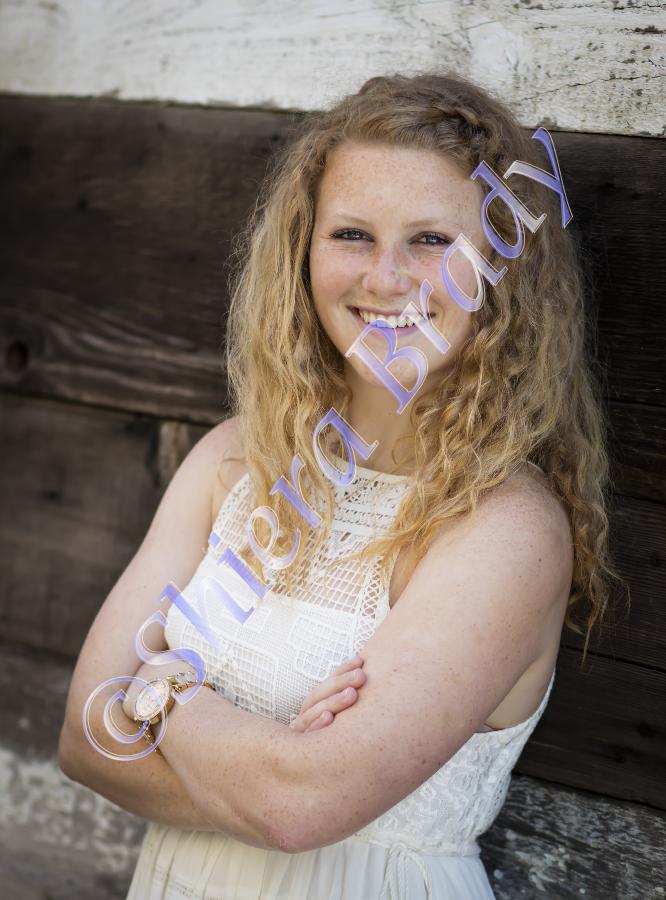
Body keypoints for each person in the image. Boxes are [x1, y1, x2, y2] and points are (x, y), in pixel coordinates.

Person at [58, 69, 625, 899]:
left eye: (431, 240)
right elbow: (84, 742)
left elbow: (300, 807)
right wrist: (269, 764)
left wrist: (164, 693)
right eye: (352, 234)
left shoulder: (504, 527)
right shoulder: (232, 462)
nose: (386, 277)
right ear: (304, 250)